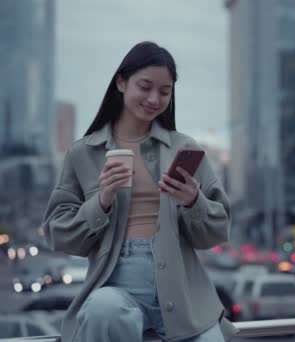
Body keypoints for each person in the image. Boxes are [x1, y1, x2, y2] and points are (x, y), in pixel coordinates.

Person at [43, 41, 238, 342]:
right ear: (121, 82)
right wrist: (102, 200)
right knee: (102, 311)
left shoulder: (184, 149)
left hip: (184, 295)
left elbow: (218, 230)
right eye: (145, 86)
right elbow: (58, 233)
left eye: (164, 91)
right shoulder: (83, 154)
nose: (154, 98)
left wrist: (194, 201)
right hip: (117, 288)